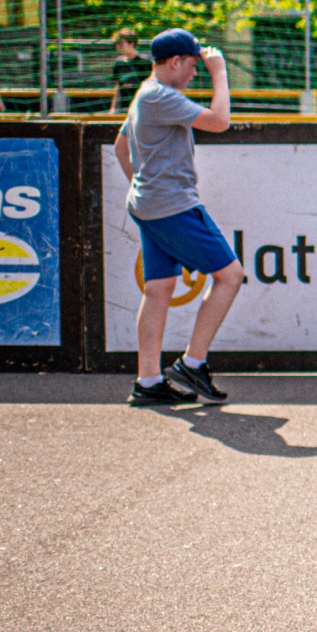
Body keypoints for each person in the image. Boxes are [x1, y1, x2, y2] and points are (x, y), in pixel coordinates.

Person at [112, 29, 246, 408]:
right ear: (174, 62)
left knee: (158, 289)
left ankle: (148, 381)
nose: (195, 73)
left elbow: (121, 146)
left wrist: (144, 187)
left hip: (148, 205)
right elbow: (220, 121)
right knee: (230, 276)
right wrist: (220, 71)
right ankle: (192, 363)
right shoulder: (160, 95)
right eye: (192, 65)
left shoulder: (143, 93)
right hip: (173, 205)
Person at [108, 28, 145, 114]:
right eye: (117, 44)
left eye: (121, 44)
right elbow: (117, 88)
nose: (118, 47)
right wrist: (113, 108)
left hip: (141, 109)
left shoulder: (146, 62)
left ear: (131, 44)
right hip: (123, 109)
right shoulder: (118, 63)